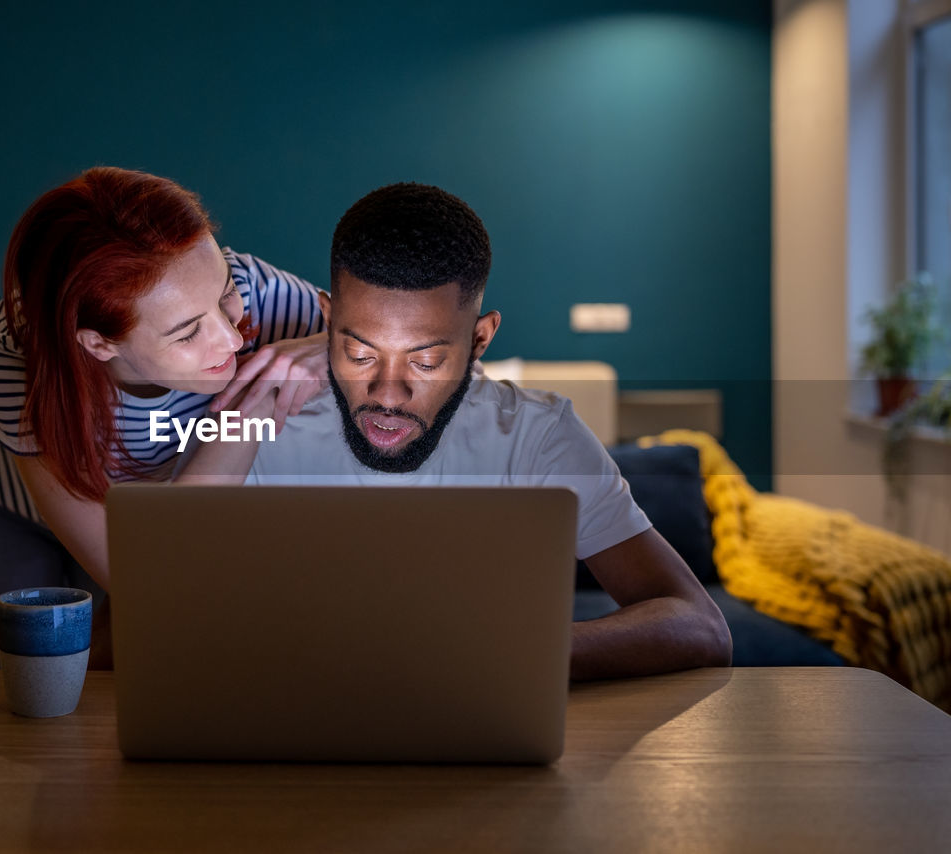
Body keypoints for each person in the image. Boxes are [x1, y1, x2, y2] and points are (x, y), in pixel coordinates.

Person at [243, 182, 733, 680]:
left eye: (426, 360)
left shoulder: (538, 436)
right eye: (360, 354)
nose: (387, 395)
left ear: (479, 338)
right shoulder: (262, 421)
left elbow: (701, 626)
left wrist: (507, 656)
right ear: (328, 321)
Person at [0, 166, 327, 668]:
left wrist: (332, 346)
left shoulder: (256, 292)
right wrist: (248, 411)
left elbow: (445, 341)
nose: (232, 338)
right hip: (8, 514)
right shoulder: (11, 359)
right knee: (25, 691)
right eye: (188, 332)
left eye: (223, 293)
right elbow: (143, 578)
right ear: (99, 343)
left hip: (159, 511)